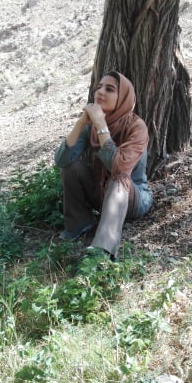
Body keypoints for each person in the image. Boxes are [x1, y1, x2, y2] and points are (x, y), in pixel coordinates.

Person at [54, 71, 153, 259]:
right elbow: (61, 161)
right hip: (101, 191)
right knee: (71, 169)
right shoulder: (91, 126)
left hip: (133, 197)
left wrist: (100, 124)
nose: (100, 92)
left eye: (109, 89)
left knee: (119, 179)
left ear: (123, 97)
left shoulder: (136, 126)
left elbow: (120, 168)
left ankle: (103, 251)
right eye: (99, 87)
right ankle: (79, 224)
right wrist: (82, 122)